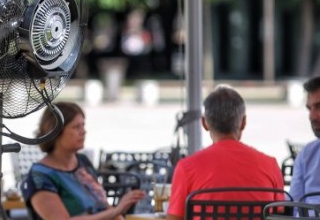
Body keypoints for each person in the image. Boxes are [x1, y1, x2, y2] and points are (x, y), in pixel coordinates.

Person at [165, 85, 284, 220]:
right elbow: (280, 214)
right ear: (243, 122)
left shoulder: (186, 168)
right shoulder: (270, 165)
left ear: (204, 123)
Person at [22, 102, 145, 220]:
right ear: (55, 132)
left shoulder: (82, 162)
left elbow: (105, 208)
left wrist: (116, 213)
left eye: (83, 125)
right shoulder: (40, 175)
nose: (83, 131)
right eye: (76, 127)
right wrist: (117, 210)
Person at [290, 76, 320, 203]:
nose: (312, 116)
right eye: (309, 108)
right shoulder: (306, 155)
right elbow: (293, 206)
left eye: (319, 107)